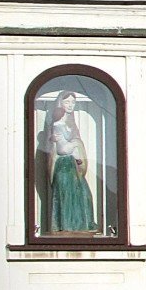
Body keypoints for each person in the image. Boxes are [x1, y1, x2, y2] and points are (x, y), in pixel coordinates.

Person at [48, 92, 97, 232]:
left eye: (73, 102)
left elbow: (75, 141)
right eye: (67, 102)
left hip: (74, 165)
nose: (70, 105)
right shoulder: (57, 125)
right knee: (67, 198)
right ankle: (66, 226)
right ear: (60, 105)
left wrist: (76, 145)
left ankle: (82, 225)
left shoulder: (70, 123)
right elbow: (58, 147)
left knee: (85, 195)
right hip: (64, 165)